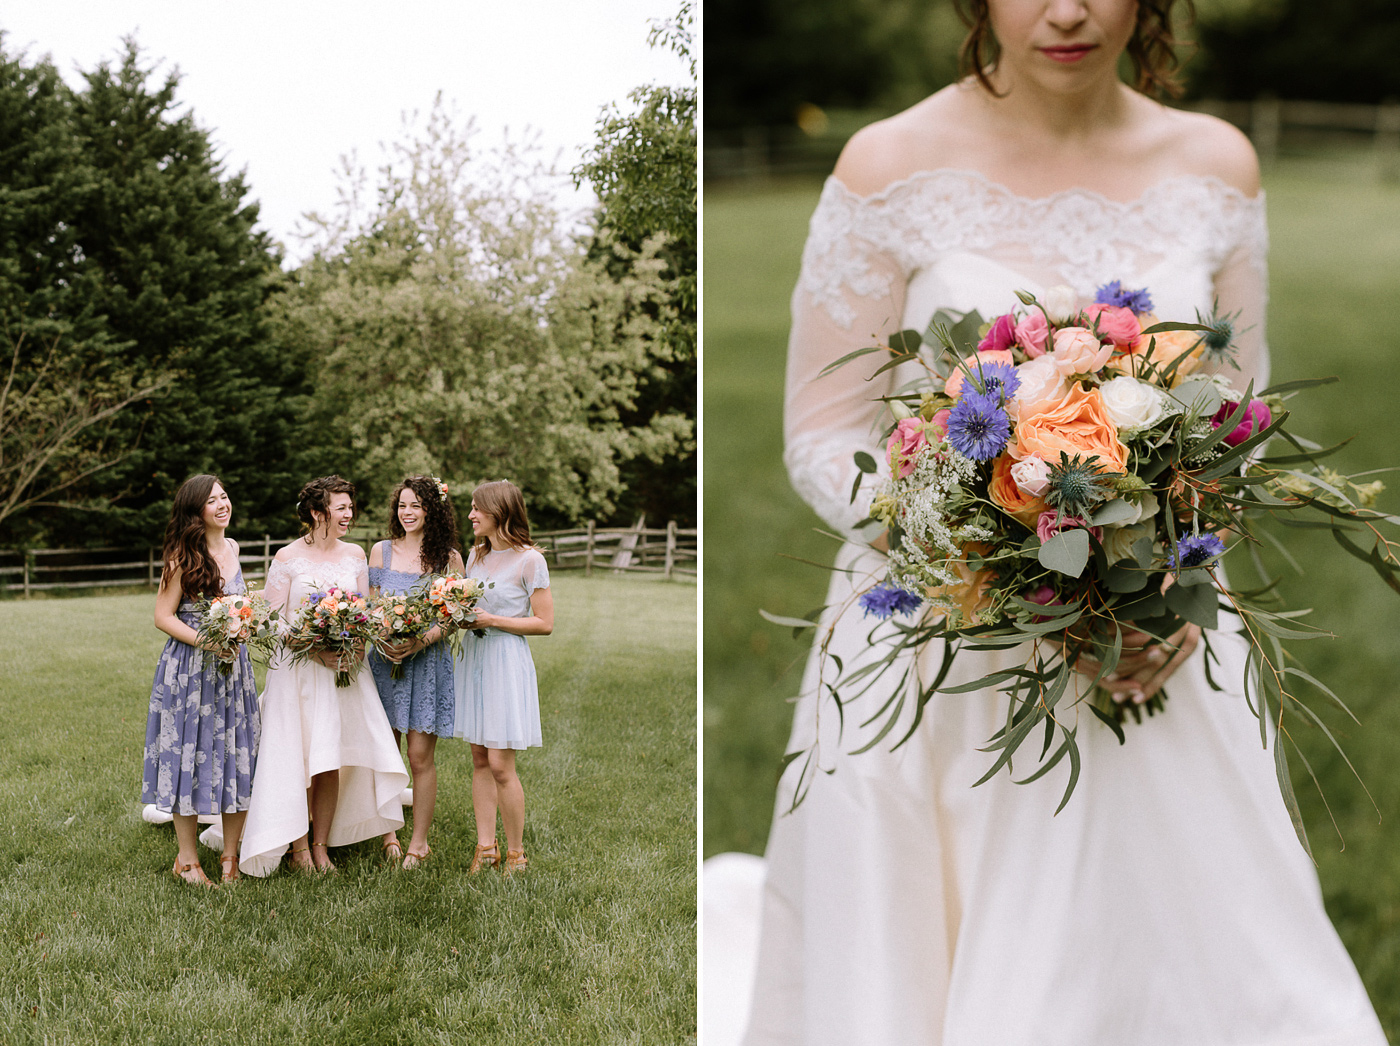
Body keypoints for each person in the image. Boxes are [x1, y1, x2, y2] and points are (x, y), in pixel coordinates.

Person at [708, 1, 1388, 1044]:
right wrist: (984, 548)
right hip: (936, 633)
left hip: (1158, 634)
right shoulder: (886, 164)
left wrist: (1164, 581)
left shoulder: (1218, 166)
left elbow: (1236, 418)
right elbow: (819, 429)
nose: (1065, 10)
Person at [238, 475, 409, 876]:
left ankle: (321, 846)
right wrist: (313, 647)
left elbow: (365, 613)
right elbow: (270, 620)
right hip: (297, 673)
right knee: (297, 756)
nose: (350, 514)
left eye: (351, 506)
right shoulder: (286, 558)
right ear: (318, 513)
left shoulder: (354, 556)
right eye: (342, 507)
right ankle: (296, 848)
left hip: (343, 674)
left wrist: (354, 649)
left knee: (331, 758)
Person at [143, 474, 261, 886]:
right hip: (190, 671)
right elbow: (163, 616)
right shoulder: (182, 557)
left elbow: (240, 605)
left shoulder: (233, 547)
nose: (222, 504)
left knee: (238, 754)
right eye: (212, 500)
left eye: (225, 496)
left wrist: (246, 626)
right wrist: (209, 642)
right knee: (188, 757)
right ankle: (188, 861)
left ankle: (230, 858)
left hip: (234, 672)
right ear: (197, 511)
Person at [453, 480, 553, 874]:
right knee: (479, 757)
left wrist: (493, 619)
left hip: (506, 661)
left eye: (477, 508)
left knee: (500, 765)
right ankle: (485, 847)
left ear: (499, 512)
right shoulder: (475, 557)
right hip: (475, 657)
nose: (471, 515)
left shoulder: (530, 560)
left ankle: (516, 853)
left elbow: (545, 622)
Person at [368, 475, 465, 870]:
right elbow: (370, 607)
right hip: (385, 660)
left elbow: (456, 614)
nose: (407, 513)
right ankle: (388, 834)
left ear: (433, 510)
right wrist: (385, 638)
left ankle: (418, 844)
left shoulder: (450, 558)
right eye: (402, 506)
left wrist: (420, 641)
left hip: (426, 663)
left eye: (416, 506)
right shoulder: (380, 551)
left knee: (419, 757)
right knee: (385, 752)